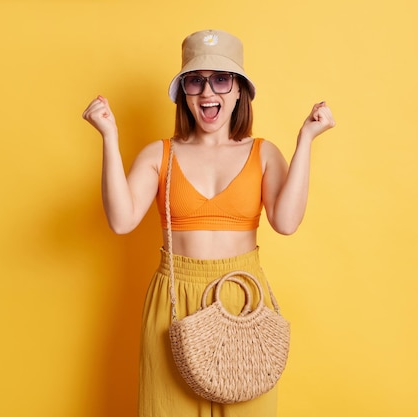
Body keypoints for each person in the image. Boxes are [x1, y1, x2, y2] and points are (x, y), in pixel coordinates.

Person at [82, 29, 335, 417]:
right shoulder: (158, 154)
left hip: (242, 298)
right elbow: (121, 220)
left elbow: (285, 222)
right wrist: (109, 136)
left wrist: (306, 139)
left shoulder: (264, 153)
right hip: (173, 302)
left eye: (221, 79)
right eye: (195, 81)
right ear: (184, 92)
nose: (207, 92)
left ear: (239, 92)